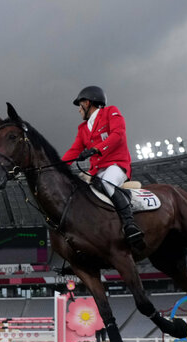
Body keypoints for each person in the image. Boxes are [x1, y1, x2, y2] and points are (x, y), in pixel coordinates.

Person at [62, 86, 145, 250]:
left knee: (106, 182)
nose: (79, 110)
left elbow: (118, 135)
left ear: (87, 103)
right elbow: (73, 151)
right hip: (96, 171)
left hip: (116, 165)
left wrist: (96, 149)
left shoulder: (110, 112)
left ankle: (130, 225)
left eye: (80, 106)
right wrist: (56, 167)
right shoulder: (83, 129)